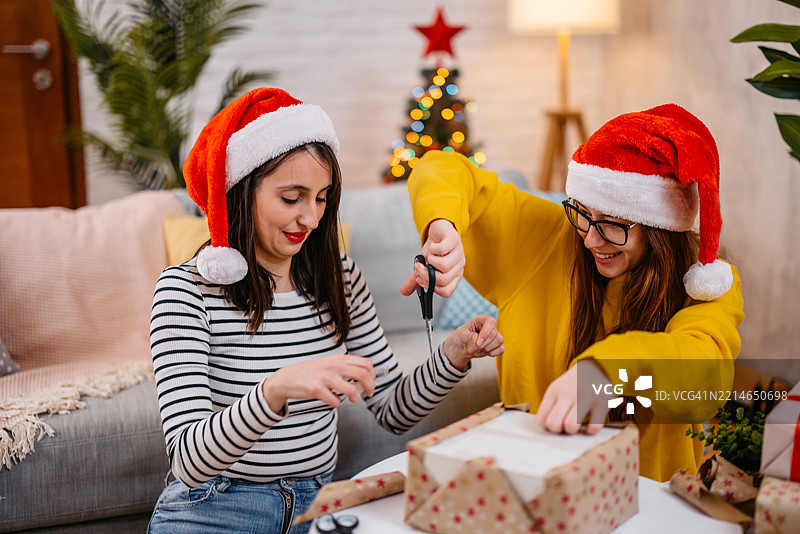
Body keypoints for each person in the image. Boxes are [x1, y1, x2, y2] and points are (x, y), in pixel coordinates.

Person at [148, 88, 504, 534]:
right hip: (216, 508)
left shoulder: (340, 277)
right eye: (291, 198)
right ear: (241, 191)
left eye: (321, 198)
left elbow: (393, 409)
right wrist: (274, 390)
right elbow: (188, 461)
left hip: (315, 505)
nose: (311, 219)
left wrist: (454, 353)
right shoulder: (187, 290)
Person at [400, 104, 744, 482]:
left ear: (660, 228)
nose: (591, 239)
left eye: (613, 224)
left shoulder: (704, 282)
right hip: (532, 490)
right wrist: (443, 221)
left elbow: (705, 380)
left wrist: (605, 369)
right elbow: (438, 167)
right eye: (581, 212)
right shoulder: (544, 238)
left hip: (648, 505)